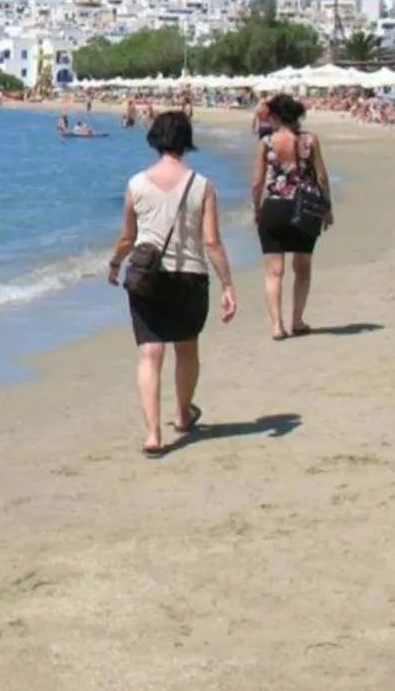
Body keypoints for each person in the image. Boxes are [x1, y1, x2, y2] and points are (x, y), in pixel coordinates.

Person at [106, 113, 237, 457]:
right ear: (186, 141)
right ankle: (182, 414)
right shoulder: (202, 185)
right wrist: (227, 285)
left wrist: (115, 264)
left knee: (150, 353)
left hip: (147, 275)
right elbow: (211, 242)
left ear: (154, 139)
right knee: (187, 348)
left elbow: (127, 237)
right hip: (190, 276)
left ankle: (152, 435)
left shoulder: (136, 184)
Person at [250, 94, 333, 339]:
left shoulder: (266, 143)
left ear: (276, 116)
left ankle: (277, 326)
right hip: (305, 207)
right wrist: (327, 208)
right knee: (303, 267)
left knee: (274, 271)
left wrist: (257, 209)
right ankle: (297, 320)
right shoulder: (310, 140)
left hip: (274, 207)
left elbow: (257, 183)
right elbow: (322, 177)